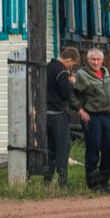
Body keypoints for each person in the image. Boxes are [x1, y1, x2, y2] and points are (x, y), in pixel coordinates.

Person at [72, 47, 110, 193]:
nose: (95, 62)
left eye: (98, 59)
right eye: (93, 59)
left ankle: (103, 181)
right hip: (91, 116)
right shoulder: (82, 75)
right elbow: (71, 94)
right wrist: (80, 110)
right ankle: (94, 184)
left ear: (102, 60)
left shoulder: (104, 73)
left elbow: (109, 93)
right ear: (87, 60)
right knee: (93, 148)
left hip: (105, 116)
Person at [45, 46, 81, 187]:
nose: (72, 67)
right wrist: (71, 83)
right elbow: (65, 94)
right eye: (72, 64)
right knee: (62, 148)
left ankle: (47, 180)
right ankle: (62, 181)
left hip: (46, 114)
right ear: (68, 60)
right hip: (58, 115)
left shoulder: (47, 67)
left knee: (49, 149)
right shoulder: (61, 72)